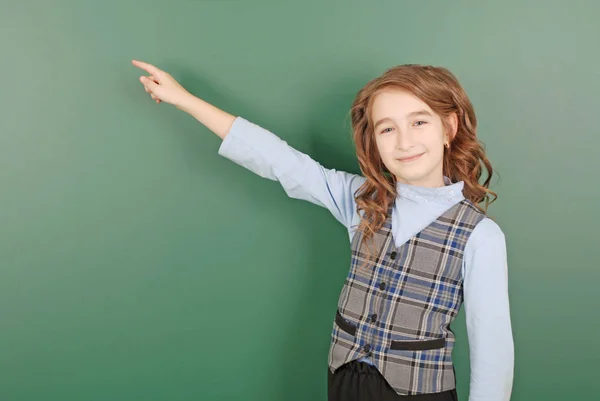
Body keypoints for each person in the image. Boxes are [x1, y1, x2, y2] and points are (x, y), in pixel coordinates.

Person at [131, 59, 514, 401]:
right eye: (387, 129)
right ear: (374, 143)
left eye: (418, 121)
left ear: (448, 127)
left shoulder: (480, 236)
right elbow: (280, 161)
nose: (405, 141)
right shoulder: (362, 201)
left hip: (417, 391)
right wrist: (185, 100)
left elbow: (492, 350)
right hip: (344, 379)